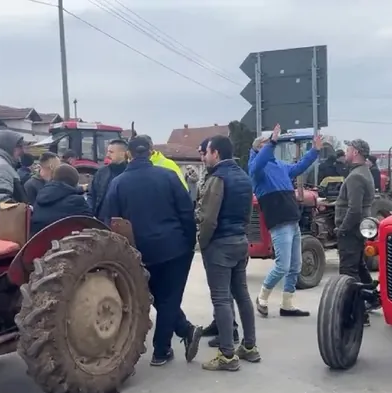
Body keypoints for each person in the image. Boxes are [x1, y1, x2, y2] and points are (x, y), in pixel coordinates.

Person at [100, 136, 202, 367]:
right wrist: (188, 242)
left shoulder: (118, 183)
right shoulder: (168, 176)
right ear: (151, 151)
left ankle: (186, 330)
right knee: (170, 298)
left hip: (138, 251)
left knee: (158, 297)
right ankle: (161, 350)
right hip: (174, 247)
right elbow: (186, 212)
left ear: (129, 154)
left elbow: (111, 221)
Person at [197, 135, 260, 371]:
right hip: (239, 241)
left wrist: (202, 243)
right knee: (242, 295)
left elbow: (208, 219)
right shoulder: (244, 177)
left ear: (216, 153)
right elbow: (247, 215)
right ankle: (250, 347)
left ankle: (226, 354)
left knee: (221, 299)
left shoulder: (218, 179)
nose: (206, 156)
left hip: (220, 245)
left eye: (208, 152)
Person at [249, 124, 320, 317]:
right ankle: (262, 297)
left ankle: (287, 305)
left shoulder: (280, 166)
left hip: (292, 220)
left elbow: (299, 167)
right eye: (266, 144)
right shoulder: (257, 169)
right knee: (282, 265)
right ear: (258, 148)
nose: (272, 146)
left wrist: (314, 151)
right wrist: (271, 141)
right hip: (279, 222)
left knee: (295, 266)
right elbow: (258, 163)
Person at [334, 139, 377, 326]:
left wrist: (342, 229)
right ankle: (373, 297)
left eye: (349, 149)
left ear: (357, 152)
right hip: (358, 229)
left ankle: (356, 314)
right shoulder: (364, 172)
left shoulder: (355, 177)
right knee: (358, 266)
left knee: (348, 274)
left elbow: (355, 210)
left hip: (351, 231)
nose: (346, 151)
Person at [30, 164, 92, 235]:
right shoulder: (77, 201)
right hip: (65, 243)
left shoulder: (41, 197)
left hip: (38, 242)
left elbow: (61, 190)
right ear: (74, 183)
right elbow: (91, 224)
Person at [87, 139, 128, 218]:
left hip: (122, 224)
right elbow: (92, 195)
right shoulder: (101, 172)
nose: (107, 155)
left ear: (123, 154)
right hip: (101, 222)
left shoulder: (130, 174)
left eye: (111, 152)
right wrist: (90, 213)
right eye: (108, 151)